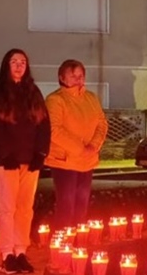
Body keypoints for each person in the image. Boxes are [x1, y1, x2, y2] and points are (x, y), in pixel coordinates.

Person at [0, 49, 50, 274]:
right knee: (7, 207)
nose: (19, 65)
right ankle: (7, 254)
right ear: (6, 65)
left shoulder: (33, 92)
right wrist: (6, 155)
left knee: (25, 208)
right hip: (6, 162)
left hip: (29, 160)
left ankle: (21, 250)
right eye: (14, 62)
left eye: (23, 61)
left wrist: (40, 154)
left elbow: (44, 125)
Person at [45, 60, 108, 230]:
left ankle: (80, 241)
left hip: (87, 161)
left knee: (82, 203)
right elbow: (54, 130)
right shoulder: (55, 100)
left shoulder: (91, 98)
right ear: (61, 77)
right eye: (73, 76)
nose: (77, 80)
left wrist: (94, 146)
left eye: (80, 76)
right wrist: (81, 149)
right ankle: (63, 243)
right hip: (64, 161)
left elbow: (102, 124)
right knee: (66, 204)